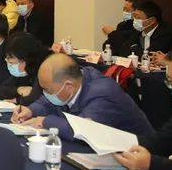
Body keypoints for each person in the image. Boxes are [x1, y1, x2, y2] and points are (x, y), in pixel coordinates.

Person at [12, 53, 154, 140]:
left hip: (136, 158)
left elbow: (82, 130)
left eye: (47, 90)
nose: (45, 94)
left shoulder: (102, 94)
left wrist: (44, 121)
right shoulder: (75, 80)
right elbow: (47, 102)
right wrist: (30, 110)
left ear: (68, 86)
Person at [0, 32, 50, 105]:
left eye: (12, 63)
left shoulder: (44, 68)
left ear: (26, 59)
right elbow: (1, 91)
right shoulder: (22, 72)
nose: (9, 66)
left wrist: (16, 100)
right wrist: (18, 90)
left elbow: (33, 98)